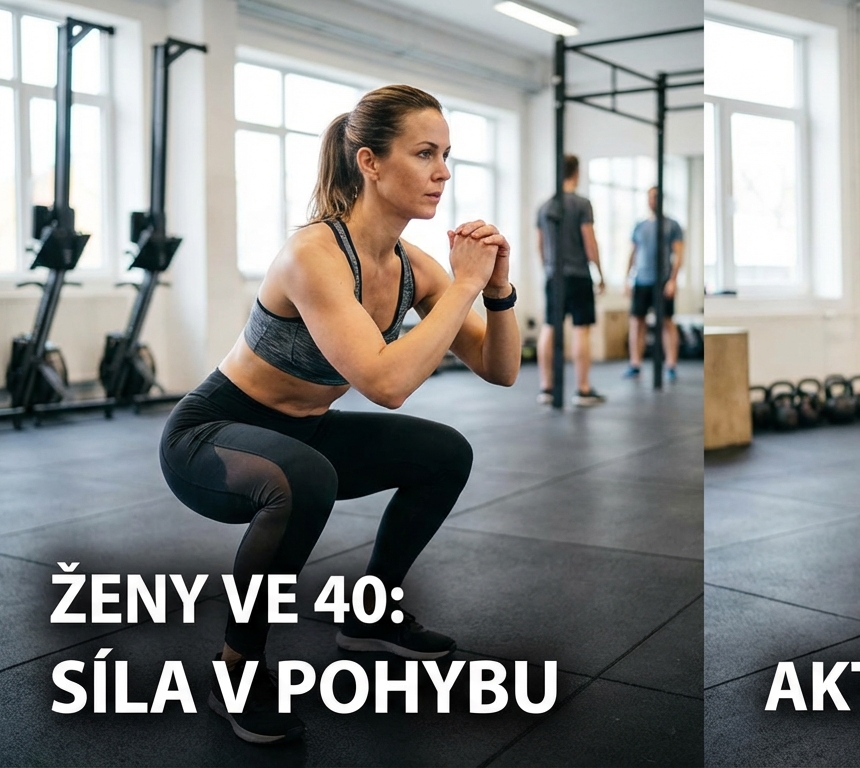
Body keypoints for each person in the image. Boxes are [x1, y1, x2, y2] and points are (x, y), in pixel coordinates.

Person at [159, 85, 519, 744]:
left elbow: (501, 370)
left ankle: (371, 615)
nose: (443, 171)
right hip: (210, 435)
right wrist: (464, 284)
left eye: (446, 155)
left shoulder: (414, 266)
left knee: (444, 455)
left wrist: (496, 292)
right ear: (371, 163)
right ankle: (235, 670)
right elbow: (386, 384)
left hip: (304, 432)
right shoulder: (313, 255)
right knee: (305, 478)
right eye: (424, 153)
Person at [537, 154, 607, 406]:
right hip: (578, 275)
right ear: (576, 173)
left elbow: (541, 245)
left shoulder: (545, 207)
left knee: (549, 327)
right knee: (581, 330)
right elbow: (590, 241)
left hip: (553, 276)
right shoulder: (581, 204)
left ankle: (546, 388)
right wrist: (600, 273)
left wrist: (548, 269)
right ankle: (583, 390)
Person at [623, 186, 685, 381]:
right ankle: (635, 364)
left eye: (656, 197)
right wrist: (627, 279)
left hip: (663, 281)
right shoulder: (639, 226)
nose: (652, 201)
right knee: (636, 322)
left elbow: (679, 255)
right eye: (650, 197)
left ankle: (671, 365)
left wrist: (673, 281)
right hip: (641, 280)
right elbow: (632, 254)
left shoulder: (673, 225)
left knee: (667, 322)